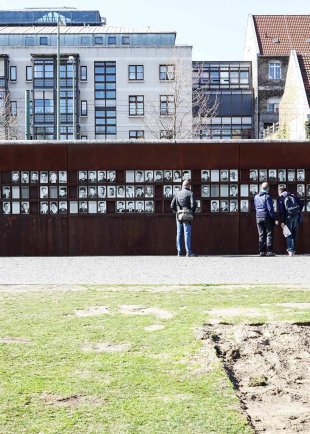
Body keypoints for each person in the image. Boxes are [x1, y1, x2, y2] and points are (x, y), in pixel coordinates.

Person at [170, 180, 197, 257]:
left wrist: (178, 211)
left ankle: (179, 252)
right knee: (187, 233)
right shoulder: (190, 193)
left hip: (178, 215)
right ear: (189, 186)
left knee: (179, 233)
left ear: (182, 186)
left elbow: (172, 205)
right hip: (187, 215)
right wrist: (191, 211)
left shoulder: (177, 193)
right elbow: (193, 205)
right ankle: (188, 252)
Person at [278, 186, 303, 256]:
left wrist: (282, 221)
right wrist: (298, 212)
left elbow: (282, 211)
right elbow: (301, 204)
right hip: (296, 216)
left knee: (288, 234)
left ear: (280, 191)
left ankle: (290, 251)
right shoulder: (293, 195)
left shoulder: (282, 197)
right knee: (294, 233)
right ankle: (294, 250)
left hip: (288, 217)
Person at [254, 182, 278, 256]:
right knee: (269, 234)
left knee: (261, 234)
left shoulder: (256, 197)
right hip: (267, 217)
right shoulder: (267, 197)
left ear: (261, 187)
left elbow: (255, 207)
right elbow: (270, 209)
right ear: (268, 188)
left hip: (258, 217)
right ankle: (269, 251)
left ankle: (262, 251)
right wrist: (275, 218)